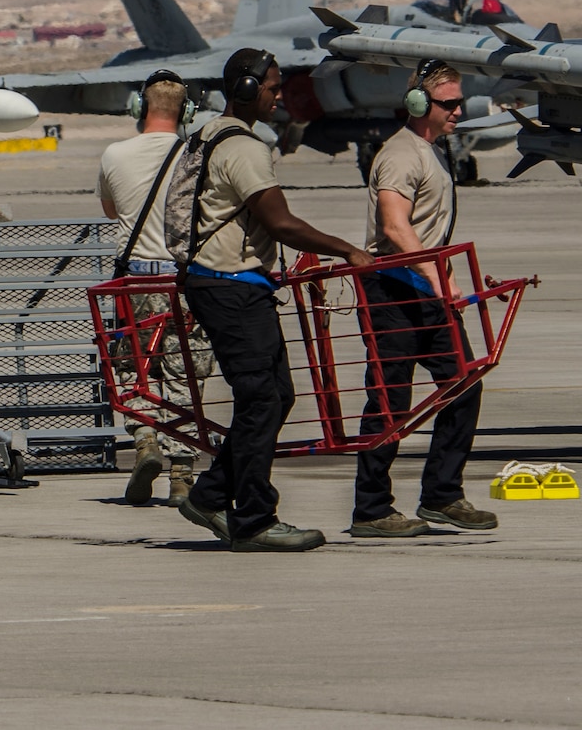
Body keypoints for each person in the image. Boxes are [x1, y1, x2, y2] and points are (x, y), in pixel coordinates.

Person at [164, 48, 374, 553]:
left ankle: (212, 494)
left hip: (230, 284)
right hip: (229, 285)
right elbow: (281, 223)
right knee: (260, 399)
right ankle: (254, 519)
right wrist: (348, 250)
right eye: (273, 87)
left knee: (276, 396)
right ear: (245, 87)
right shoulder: (244, 147)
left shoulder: (208, 134)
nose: (279, 96)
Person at [350, 60, 499, 537]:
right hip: (393, 290)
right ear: (419, 104)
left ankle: (442, 495)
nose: (458, 110)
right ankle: (371, 509)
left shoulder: (434, 151)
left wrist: (445, 274)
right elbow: (395, 227)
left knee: (463, 386)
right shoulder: (400, 154)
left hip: (424, 286)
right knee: (390, 400)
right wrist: (438, 276)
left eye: (460, 102)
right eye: (449, 103)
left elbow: (428, 232)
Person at [98, 69, 213, 508]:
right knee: (186, 371)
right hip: (182, 277)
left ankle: (145, 438)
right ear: (186, 111)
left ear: (139, 108)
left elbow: (111, 211)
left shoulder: (114, 154)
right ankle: (182, 472)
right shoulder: (195, 154)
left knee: (133, 366)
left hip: (135, 280)